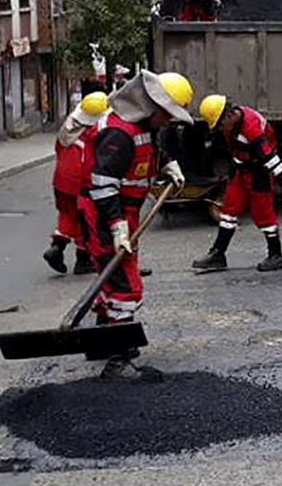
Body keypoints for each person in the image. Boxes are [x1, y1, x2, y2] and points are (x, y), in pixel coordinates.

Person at [82, 70, 193, 378]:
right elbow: (103, 185)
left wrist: (166, 165)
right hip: (106, 214)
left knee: (111, 280)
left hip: (124, 213)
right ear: (151, 104)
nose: (169, 120)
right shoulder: (118, 133)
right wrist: (117, 226)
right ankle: (120, 357)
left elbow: (146, 155)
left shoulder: (141, 124)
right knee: (126, 287)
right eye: (167, 113)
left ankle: (101, 341)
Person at [192, 95, 282, 273]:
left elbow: (269, 157)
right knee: (228, 209)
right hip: (241, 168)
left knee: (263, 214)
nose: (220, 129)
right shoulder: (233, 121)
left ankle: (276, 255)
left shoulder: (251, 128)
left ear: (228, 116)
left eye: (220, 125)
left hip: (260, 171)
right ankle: (218, 254)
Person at [45, 91, 109, 276]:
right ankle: (83, 258)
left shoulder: (69, 126)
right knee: (85, 218)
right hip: (81, 181)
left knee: (67, 214)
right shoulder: (95, 131)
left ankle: (57, 245)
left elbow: (58, 148)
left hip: (61, 180)